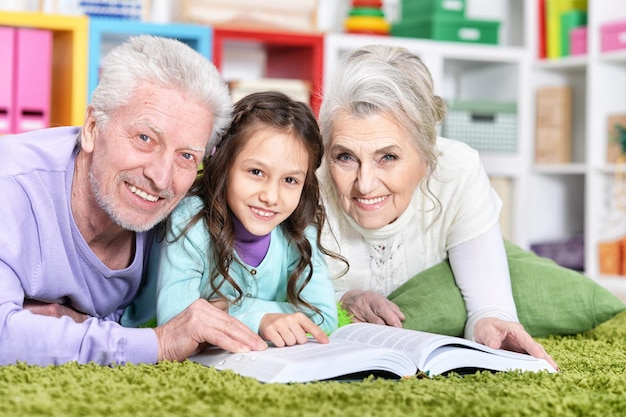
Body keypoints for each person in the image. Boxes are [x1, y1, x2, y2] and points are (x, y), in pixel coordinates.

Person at [0, 35, 267, 366]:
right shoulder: (10, 186)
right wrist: (159, 344)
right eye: (145, 138)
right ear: (93, 128)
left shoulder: (186, 218)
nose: (160, 177)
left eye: (186, 155)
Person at [316, 44, 558, 369]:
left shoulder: (457, 169)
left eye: (387, 157)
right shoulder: (305, 180)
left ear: (427, 157)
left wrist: (493, 325)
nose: (365, 184)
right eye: (345, 157)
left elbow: (488, 307)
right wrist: (342, 300)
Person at [152, 91, 341, 347]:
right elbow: (175, 319)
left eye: (290, 180)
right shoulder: (190, 219)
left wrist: (226, 308)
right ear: (224, 163)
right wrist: (260, 319)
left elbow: (323, 317)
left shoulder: (299, 229)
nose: (271, 196)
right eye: (256, 172)